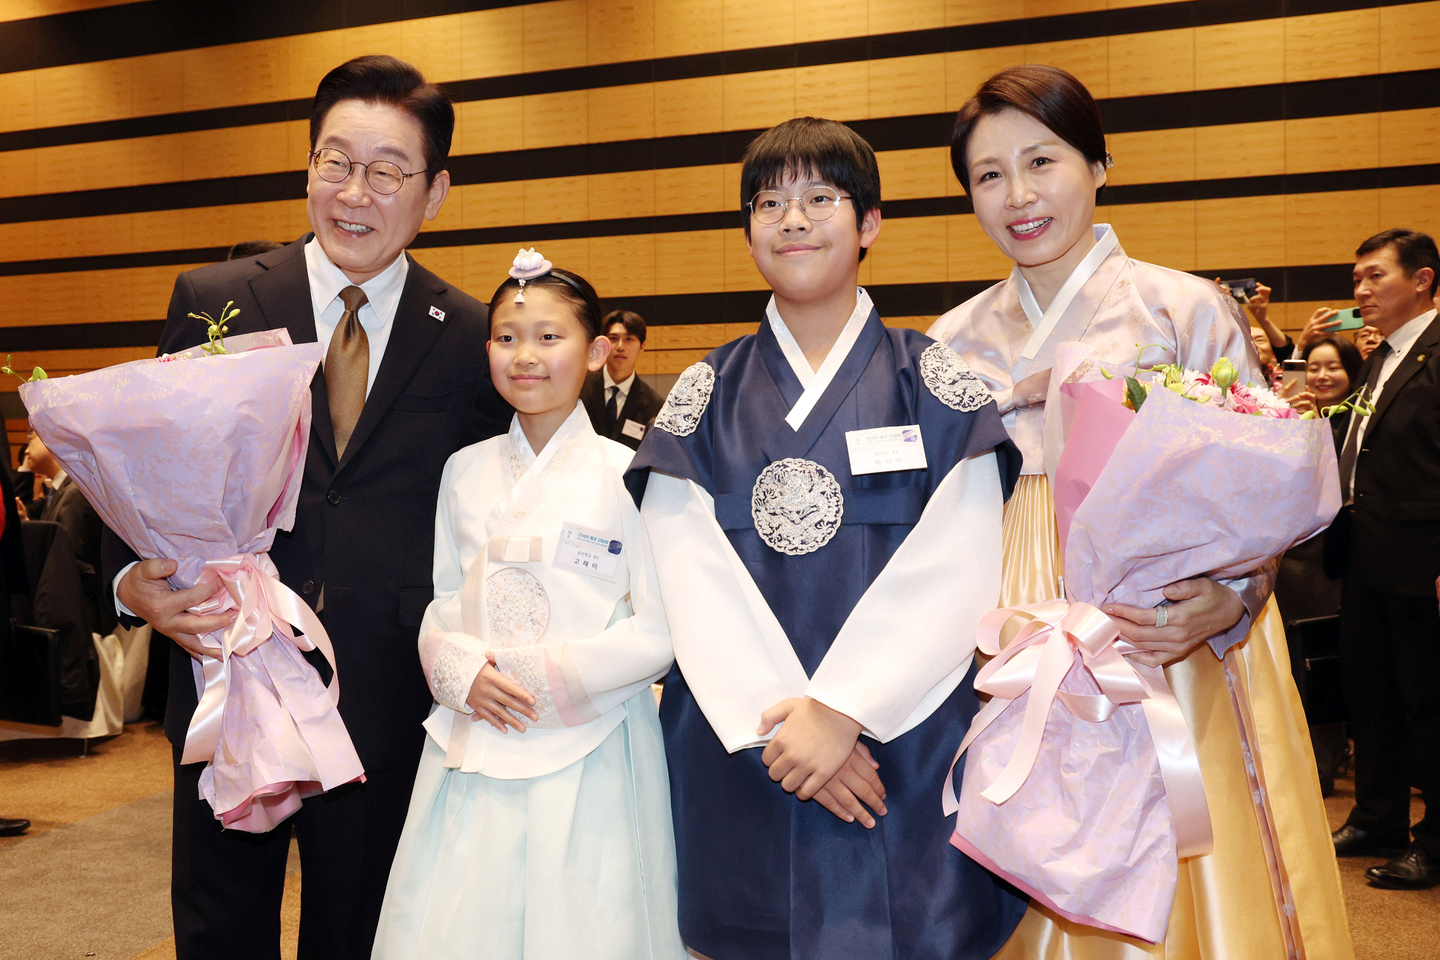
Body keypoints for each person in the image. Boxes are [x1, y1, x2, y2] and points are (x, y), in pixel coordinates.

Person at [927, 65, 1352, 959]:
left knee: (1177, 845)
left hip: (1162, 618)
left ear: (1099, 164)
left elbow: (1259, 484)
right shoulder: (951, 340)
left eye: (1041, 161)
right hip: (1012, 615)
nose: (1018, 195)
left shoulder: (1183, 306)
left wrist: (1234, 598)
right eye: (989, 175)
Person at [103, 55, 510, 959]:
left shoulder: (476, 336)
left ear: (434, 191)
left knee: (359, 934)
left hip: (382, 693)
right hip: (231, 678)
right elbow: (137, 465)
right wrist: (132, 581)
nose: (354, 192)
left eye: (387, 170)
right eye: (336, 162)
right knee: (220, 929)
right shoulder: (217, 301)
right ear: (309, 166)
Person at [628, 117, 1027, 960]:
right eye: (769, 203)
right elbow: (686, 573)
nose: (793, 219)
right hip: (746, 743)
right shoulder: (703, 390)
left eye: (820, 198)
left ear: (870, 224)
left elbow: (959, 565)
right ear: (747, 233)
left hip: (904, 739)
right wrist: (793, 728)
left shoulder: (936, 381)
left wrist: (845, 709)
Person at [373, 253, 683, 959]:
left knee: (584, 915)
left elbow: (659, 628)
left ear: (597, 350)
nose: (526, 357)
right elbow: (444, 598)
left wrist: (545, 680)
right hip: (477, 729)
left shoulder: (632, 472)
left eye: (550, 337)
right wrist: (461, 671)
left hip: (591, 735)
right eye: (508, 338)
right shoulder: (464, 470)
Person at [1328, 228, 1440, 890]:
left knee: (1428, 701)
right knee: (1371, 695)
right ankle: (1378, 816)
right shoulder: (1382, 357)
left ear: (1422, 280)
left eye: (1375, 277)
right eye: (1357, 280)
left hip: (1422, 557)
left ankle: (1435, 838)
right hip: (1367, 555)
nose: (1360, 292)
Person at [1278, 334, 1363, 794]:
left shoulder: (1358, 421)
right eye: (1314, 367)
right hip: (1289, 560)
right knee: (1293, 663)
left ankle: (1326, 761)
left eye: (1333, 367)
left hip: (1328, 561)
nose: (1322, 376)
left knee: (1323, 663)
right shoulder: (1287, 417)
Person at [580, 309, 665, 449]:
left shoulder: (655, 406)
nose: (620, 346)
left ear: (642, 346)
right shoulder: (579, 388)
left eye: (629, 339)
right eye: (613, 338)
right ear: (602, 344)